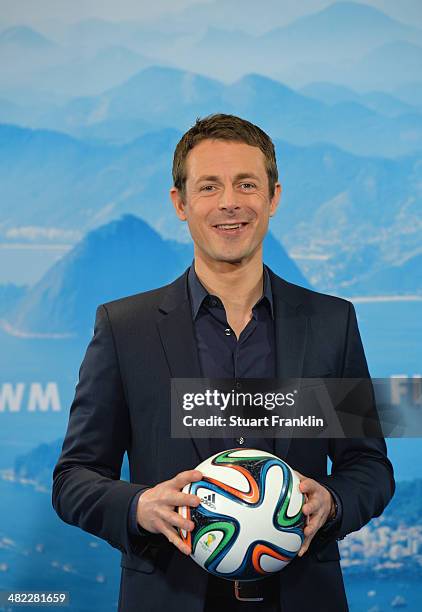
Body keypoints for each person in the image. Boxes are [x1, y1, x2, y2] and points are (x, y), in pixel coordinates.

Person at [52, 114, 395, 612]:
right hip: (168, 598)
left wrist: (333, 502)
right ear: (181, 203)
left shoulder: (331, 322)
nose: (229, 202)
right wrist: (138, 506)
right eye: (209, 186)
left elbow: (369, 466)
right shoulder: (125, 329)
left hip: (303, 599)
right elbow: (74, 477)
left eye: (246, 184)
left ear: (273, 197)